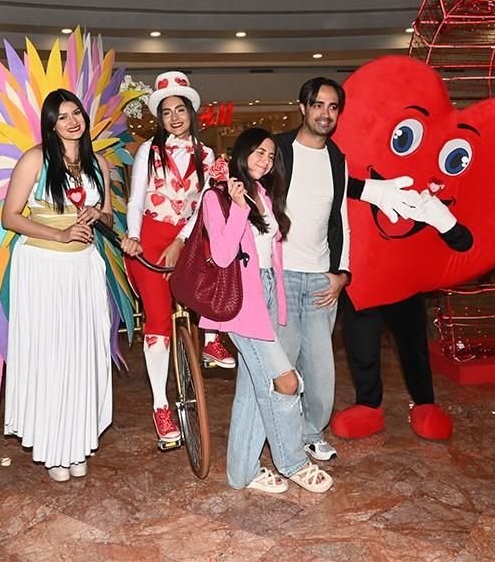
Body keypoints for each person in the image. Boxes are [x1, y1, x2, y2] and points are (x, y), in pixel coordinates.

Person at [201, 128, 333, 494]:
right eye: (258, 153)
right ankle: (292, 462)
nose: (265, 161)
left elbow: (272, 255)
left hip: (269, 297)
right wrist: (240, 208)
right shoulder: (216, 198)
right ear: (241, 154)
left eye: (271, 156)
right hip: (241, 301)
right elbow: (225, 254)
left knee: (252, 388)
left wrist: (281, 307)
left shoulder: (262, 194)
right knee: (285, 382)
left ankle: (240, 473)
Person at [0, 89, 114, 482]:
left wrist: (97, 213)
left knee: (82, 356)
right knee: (50, 356)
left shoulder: (98, 161)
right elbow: (10, 217)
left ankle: (77, 442)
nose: (72, 121)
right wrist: (61, 234)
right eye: (62, 116)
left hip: (84, 270)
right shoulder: (34, 159)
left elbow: (110, 220)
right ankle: (52, 448)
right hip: (42, 268)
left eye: (77, 112)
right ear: (51, 124)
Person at [121, 71, 232, 449]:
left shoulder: (207, 155)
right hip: (150, 237)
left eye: (179, 109)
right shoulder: (147, 152)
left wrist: (183, 241)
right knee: (157, 322)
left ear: (191, 112)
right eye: (166, 111)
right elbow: (136, 199)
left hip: (186, 236)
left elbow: (203, 207)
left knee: (222, 258)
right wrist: (134, 237)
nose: (174, 117)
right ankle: (161, 405)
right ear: (160, 118)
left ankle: (212, 338)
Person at [274, 78, 351, 462]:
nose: (325, 113)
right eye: (318, 105)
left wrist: (341, 274)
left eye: (333, 107)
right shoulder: (278, 151)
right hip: (281, 275)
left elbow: (341, 220)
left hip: (322, 279)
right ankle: (283, 439)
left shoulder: (338, 160)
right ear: (302, 107)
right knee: (282, 368)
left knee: (321, 373)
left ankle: (311, 432)